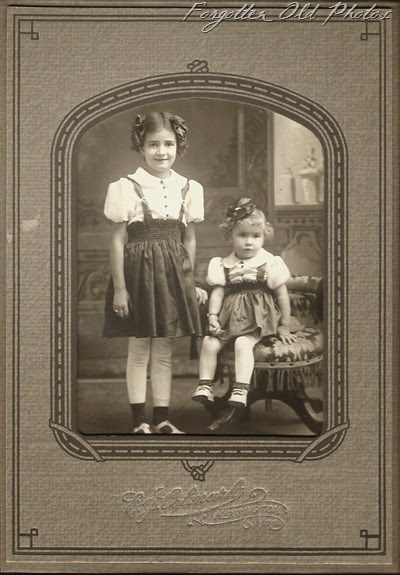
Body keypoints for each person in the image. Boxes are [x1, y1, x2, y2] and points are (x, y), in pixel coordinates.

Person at [103, 111, 207, 434]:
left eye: (168, 144)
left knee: (164, 349)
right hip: (139, 276)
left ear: (179, 145)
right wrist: (120, 289)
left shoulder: (189, 187)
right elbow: (117, 240)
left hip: (173, 277)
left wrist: (188, 281)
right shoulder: (126, 186)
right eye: (153, 144)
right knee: (139, 349)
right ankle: (139, 421)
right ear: (141, 146)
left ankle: (162, 419)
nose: (161, 151)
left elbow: (189, 239)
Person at [192, 197, 297, 408]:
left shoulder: (269, 262)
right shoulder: (222, 264)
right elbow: (218, 294)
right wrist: (213, 318)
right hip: (230, 317)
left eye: (256, 236)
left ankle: (241, 389)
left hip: (259, 317)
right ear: (229, 236)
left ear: (264, 236)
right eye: (242, 235)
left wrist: (284, 325)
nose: (249, 242)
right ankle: (205, 386)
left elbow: (282, 295)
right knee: (210, 342)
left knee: (242, 343)